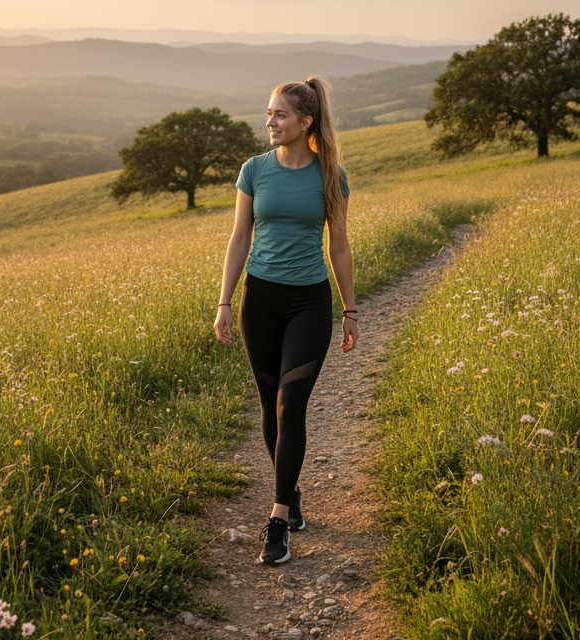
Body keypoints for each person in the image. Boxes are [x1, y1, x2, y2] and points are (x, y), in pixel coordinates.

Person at [213, 76, 357, 564]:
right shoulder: (254, 170)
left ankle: (278, 520)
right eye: (269, 113)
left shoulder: (330, 176)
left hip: (308, 304)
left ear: (305, 122)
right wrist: (225, 302)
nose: (270, 122)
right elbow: (239, 240)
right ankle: (289, 488)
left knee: (290, 405)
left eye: (279, 115)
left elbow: (338, 246)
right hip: (260, 302)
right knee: (269, 406)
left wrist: (350, 310)